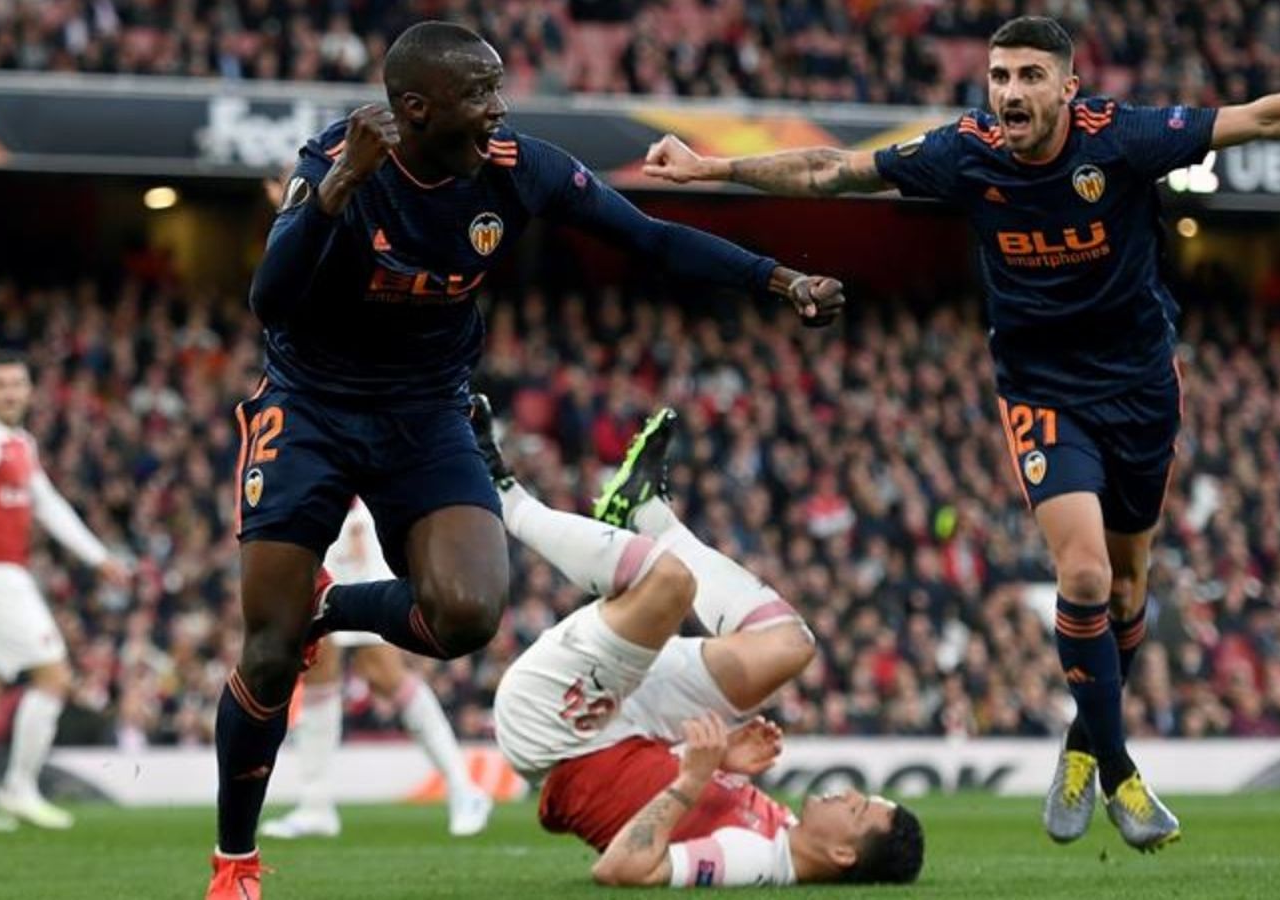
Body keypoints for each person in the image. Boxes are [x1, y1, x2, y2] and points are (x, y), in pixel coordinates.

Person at [639, 15, 1280, 851]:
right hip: (1041, 390)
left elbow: (1264, 117)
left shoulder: (1125, 140)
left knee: (1131, 590)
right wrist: (715, 167)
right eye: (999, 76)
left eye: (1030, 76)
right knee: (1083, 572)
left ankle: (1082, 743)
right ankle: (1120, 772)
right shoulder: (965, 151)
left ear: (1069, 88)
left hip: (1141, 388)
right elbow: (832, 169)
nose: (1010, 93)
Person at [212, 19, 846, 898]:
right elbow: (270, 301)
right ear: (416, 109)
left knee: (466, 616)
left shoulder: (518, 168)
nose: (498, 112)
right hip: (310, 409)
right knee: (270, 651)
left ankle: (334, 605)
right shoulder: (338, 161)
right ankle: (235, 863)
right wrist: (334, 192)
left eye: (498, 91)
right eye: (479, 96)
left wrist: (782, 281)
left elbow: (650, 238)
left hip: (427, 413)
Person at [477, 397, 924, 887]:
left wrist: (694, 777)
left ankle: (502, 496)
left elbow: (620, 870)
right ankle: (646, 513)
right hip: (630, 727)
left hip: (560, 730)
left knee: (668, 583)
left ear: (842, 853)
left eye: (856, 810)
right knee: (789, 644)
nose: (845, 794)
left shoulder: (755, 860)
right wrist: (721, 757)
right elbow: (658, 792)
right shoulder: (782, 832)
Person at [0, 353, 130, 832]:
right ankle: (19, 788)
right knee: (54, 676)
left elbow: (48, 504)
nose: (11, 393)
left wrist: (97, 556)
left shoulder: (19, 442)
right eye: (0, 385)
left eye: (18, 384)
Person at [259, 499, 493, 841]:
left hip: (349, 516)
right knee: (318, 660)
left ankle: (464, 788)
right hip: (317, 518)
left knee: (381, 669)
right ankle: (316, 804)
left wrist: (352, 508)